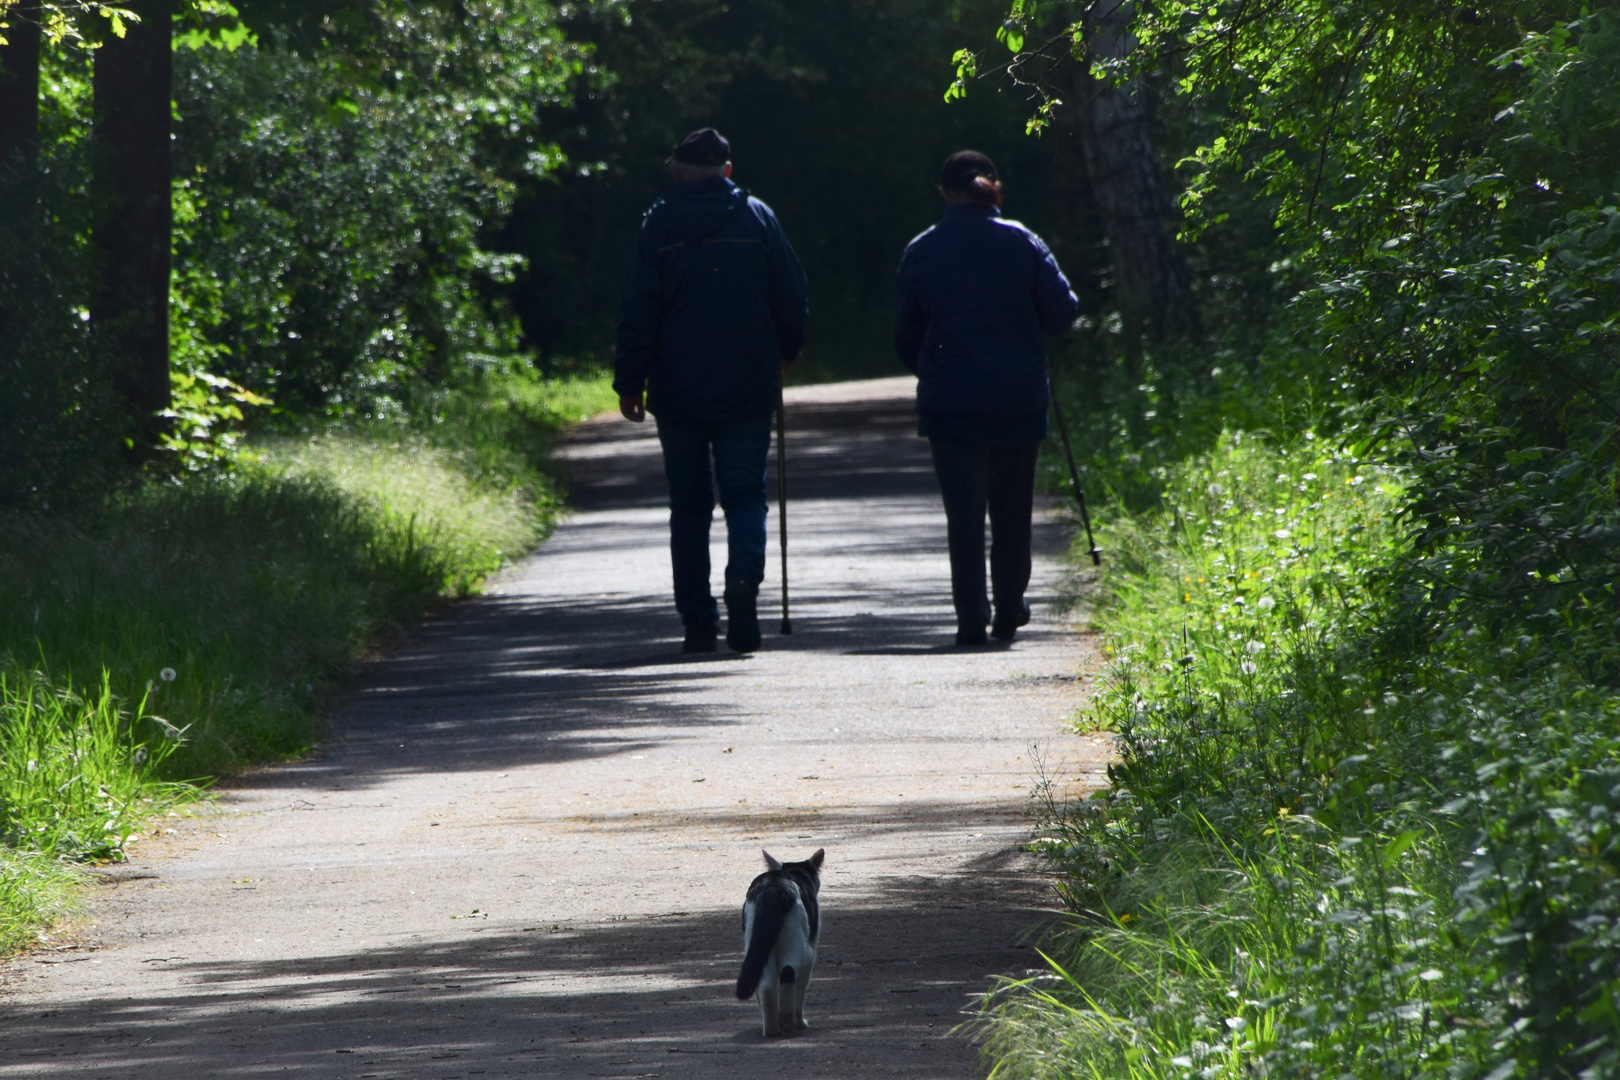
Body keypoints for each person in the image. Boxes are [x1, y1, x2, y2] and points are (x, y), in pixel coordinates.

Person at [615, 128, 809, 654]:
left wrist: (630, 381)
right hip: (748, 378)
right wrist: (785, 353)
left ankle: (699, 622)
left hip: (677, 385)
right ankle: (743, 580)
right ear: (727, 171)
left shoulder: (659, 222)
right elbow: (790, 293)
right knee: (745, 493)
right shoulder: (757, 217)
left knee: (690, 504)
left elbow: (640, 307)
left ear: (679, 172)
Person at [894, 151, 1079, 645]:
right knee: (1012, 510)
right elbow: (1062, 314)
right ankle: (1010, 606)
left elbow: (904, 336)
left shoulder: (922, 249)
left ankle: (970, 617)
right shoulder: (1023, 241)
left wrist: (936, 371)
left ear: (944, 192)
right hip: (1016, 398)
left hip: (951, 404)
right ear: (991, 185)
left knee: (965, 513)